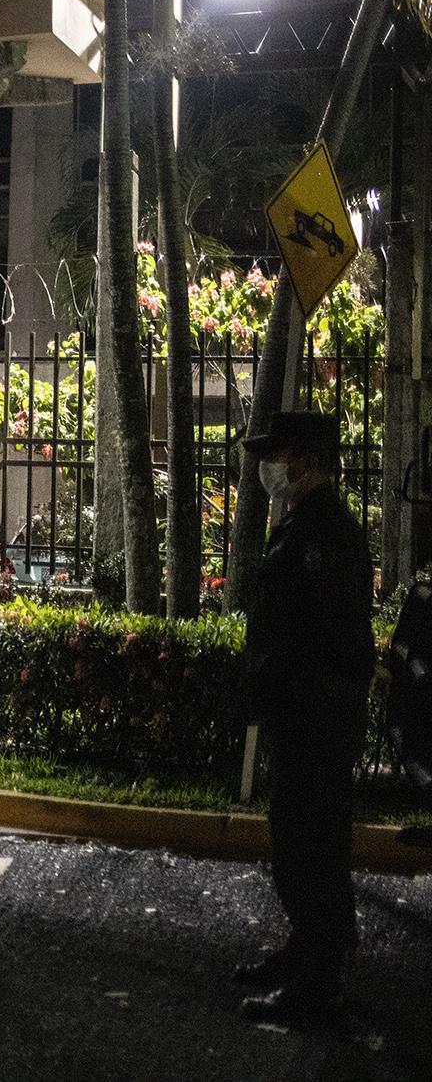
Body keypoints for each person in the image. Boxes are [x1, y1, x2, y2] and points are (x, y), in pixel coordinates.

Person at [236, 410, 374, 1024]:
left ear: (307, 462)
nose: (271, 467)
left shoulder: (325, 533)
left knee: (309, 842)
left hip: (316, 713)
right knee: (299, 839)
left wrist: (274, 686)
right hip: (304, 710)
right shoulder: (305, 523)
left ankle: (320, 981)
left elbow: (314, 634)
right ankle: (308, 950)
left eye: (280, 454)